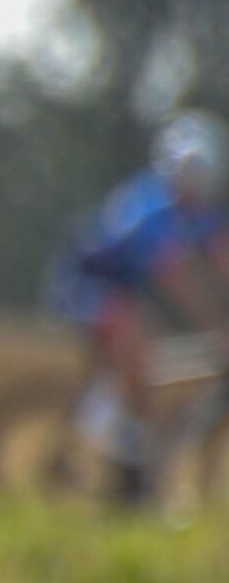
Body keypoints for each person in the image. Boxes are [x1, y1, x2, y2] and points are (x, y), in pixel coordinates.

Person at [44, 110, 229, 501]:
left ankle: (134, 468)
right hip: (86, 284)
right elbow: (180, 282)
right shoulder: (150, 208)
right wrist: (217, 328)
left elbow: (222, 257)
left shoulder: (197, 210)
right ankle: (127, 466)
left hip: (121, 291)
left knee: (145, 368)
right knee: (142, 341)